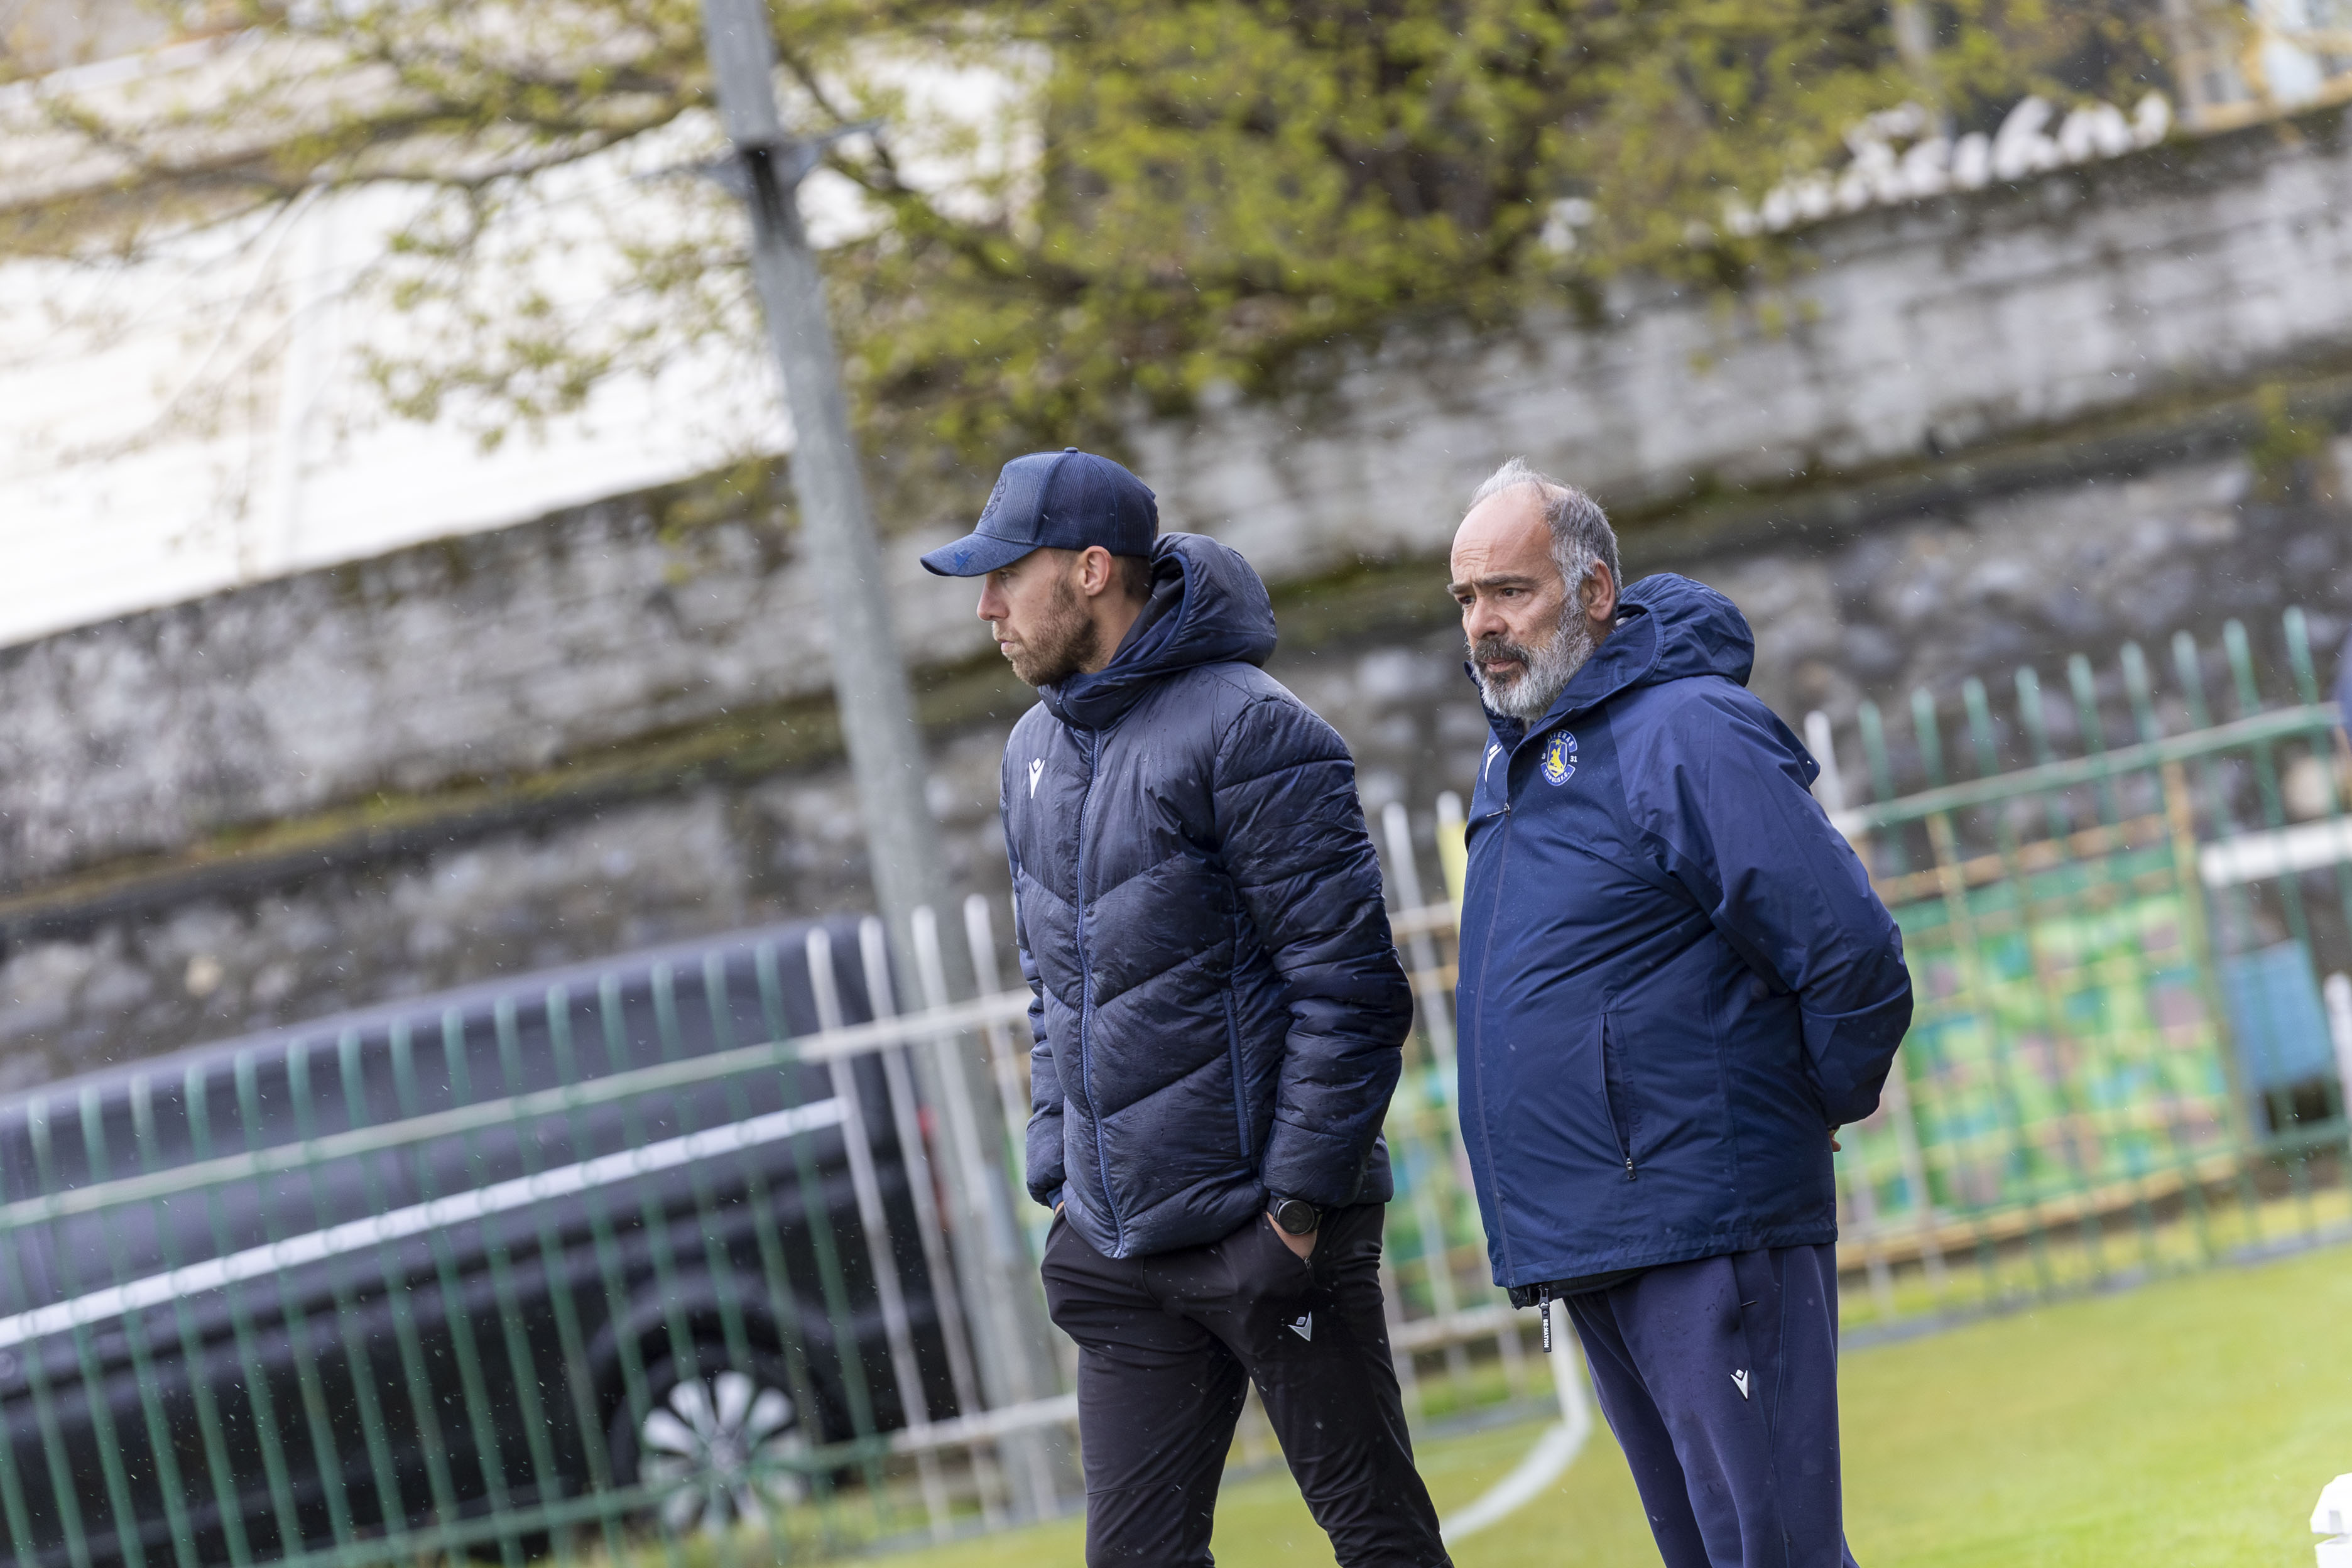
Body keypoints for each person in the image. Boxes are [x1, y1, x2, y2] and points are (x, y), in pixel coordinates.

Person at [920, 447, 1450, 1568]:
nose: (985, 609)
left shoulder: (1254, 730)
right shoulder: (1031, 752)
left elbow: (1351, 991)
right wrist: (1062, 1176)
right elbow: (1053, 985)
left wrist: (1292, 1215)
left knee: (1381, 1544)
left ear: (1091, 571)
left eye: (1006, 576)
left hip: (1267, 1238)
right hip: (1117, 1254)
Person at [1445, 457, 1913, 1568]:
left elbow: (1850, 953)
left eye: (1510, 590)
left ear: (1595, 591)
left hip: (1707, 1223)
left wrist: (1806, 1108)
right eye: (1466, 598)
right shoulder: (1515, 766)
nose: (1484, 625)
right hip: (1593, 1238)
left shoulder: (1689, 730)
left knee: (1775, 1553)